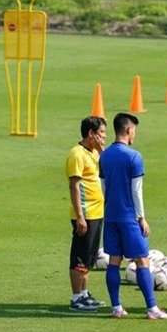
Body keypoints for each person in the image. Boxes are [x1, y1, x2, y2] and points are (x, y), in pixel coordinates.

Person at [99, 113, 167, 320]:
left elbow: (103, 187)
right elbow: (136, 190)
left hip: (111, 216)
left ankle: (116, 308)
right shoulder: (134, 156)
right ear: (129, 130)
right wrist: (141, 217)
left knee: (114, 261)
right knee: (142, 261)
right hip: (129, 217)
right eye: (135, 131)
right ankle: (152, 309)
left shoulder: (104, 156)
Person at [65, 116, 108, 312]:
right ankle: (76, 298)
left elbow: (109, 170)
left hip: (97, 212)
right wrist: (80, 216)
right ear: (91, 133)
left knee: (89, 256)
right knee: (80, 257)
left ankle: (84, 294)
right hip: (85, 214)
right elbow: (74, 186)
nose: (104, 137)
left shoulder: (95, 153)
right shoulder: (77, 154)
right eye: (101, 133)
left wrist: (101, 151)